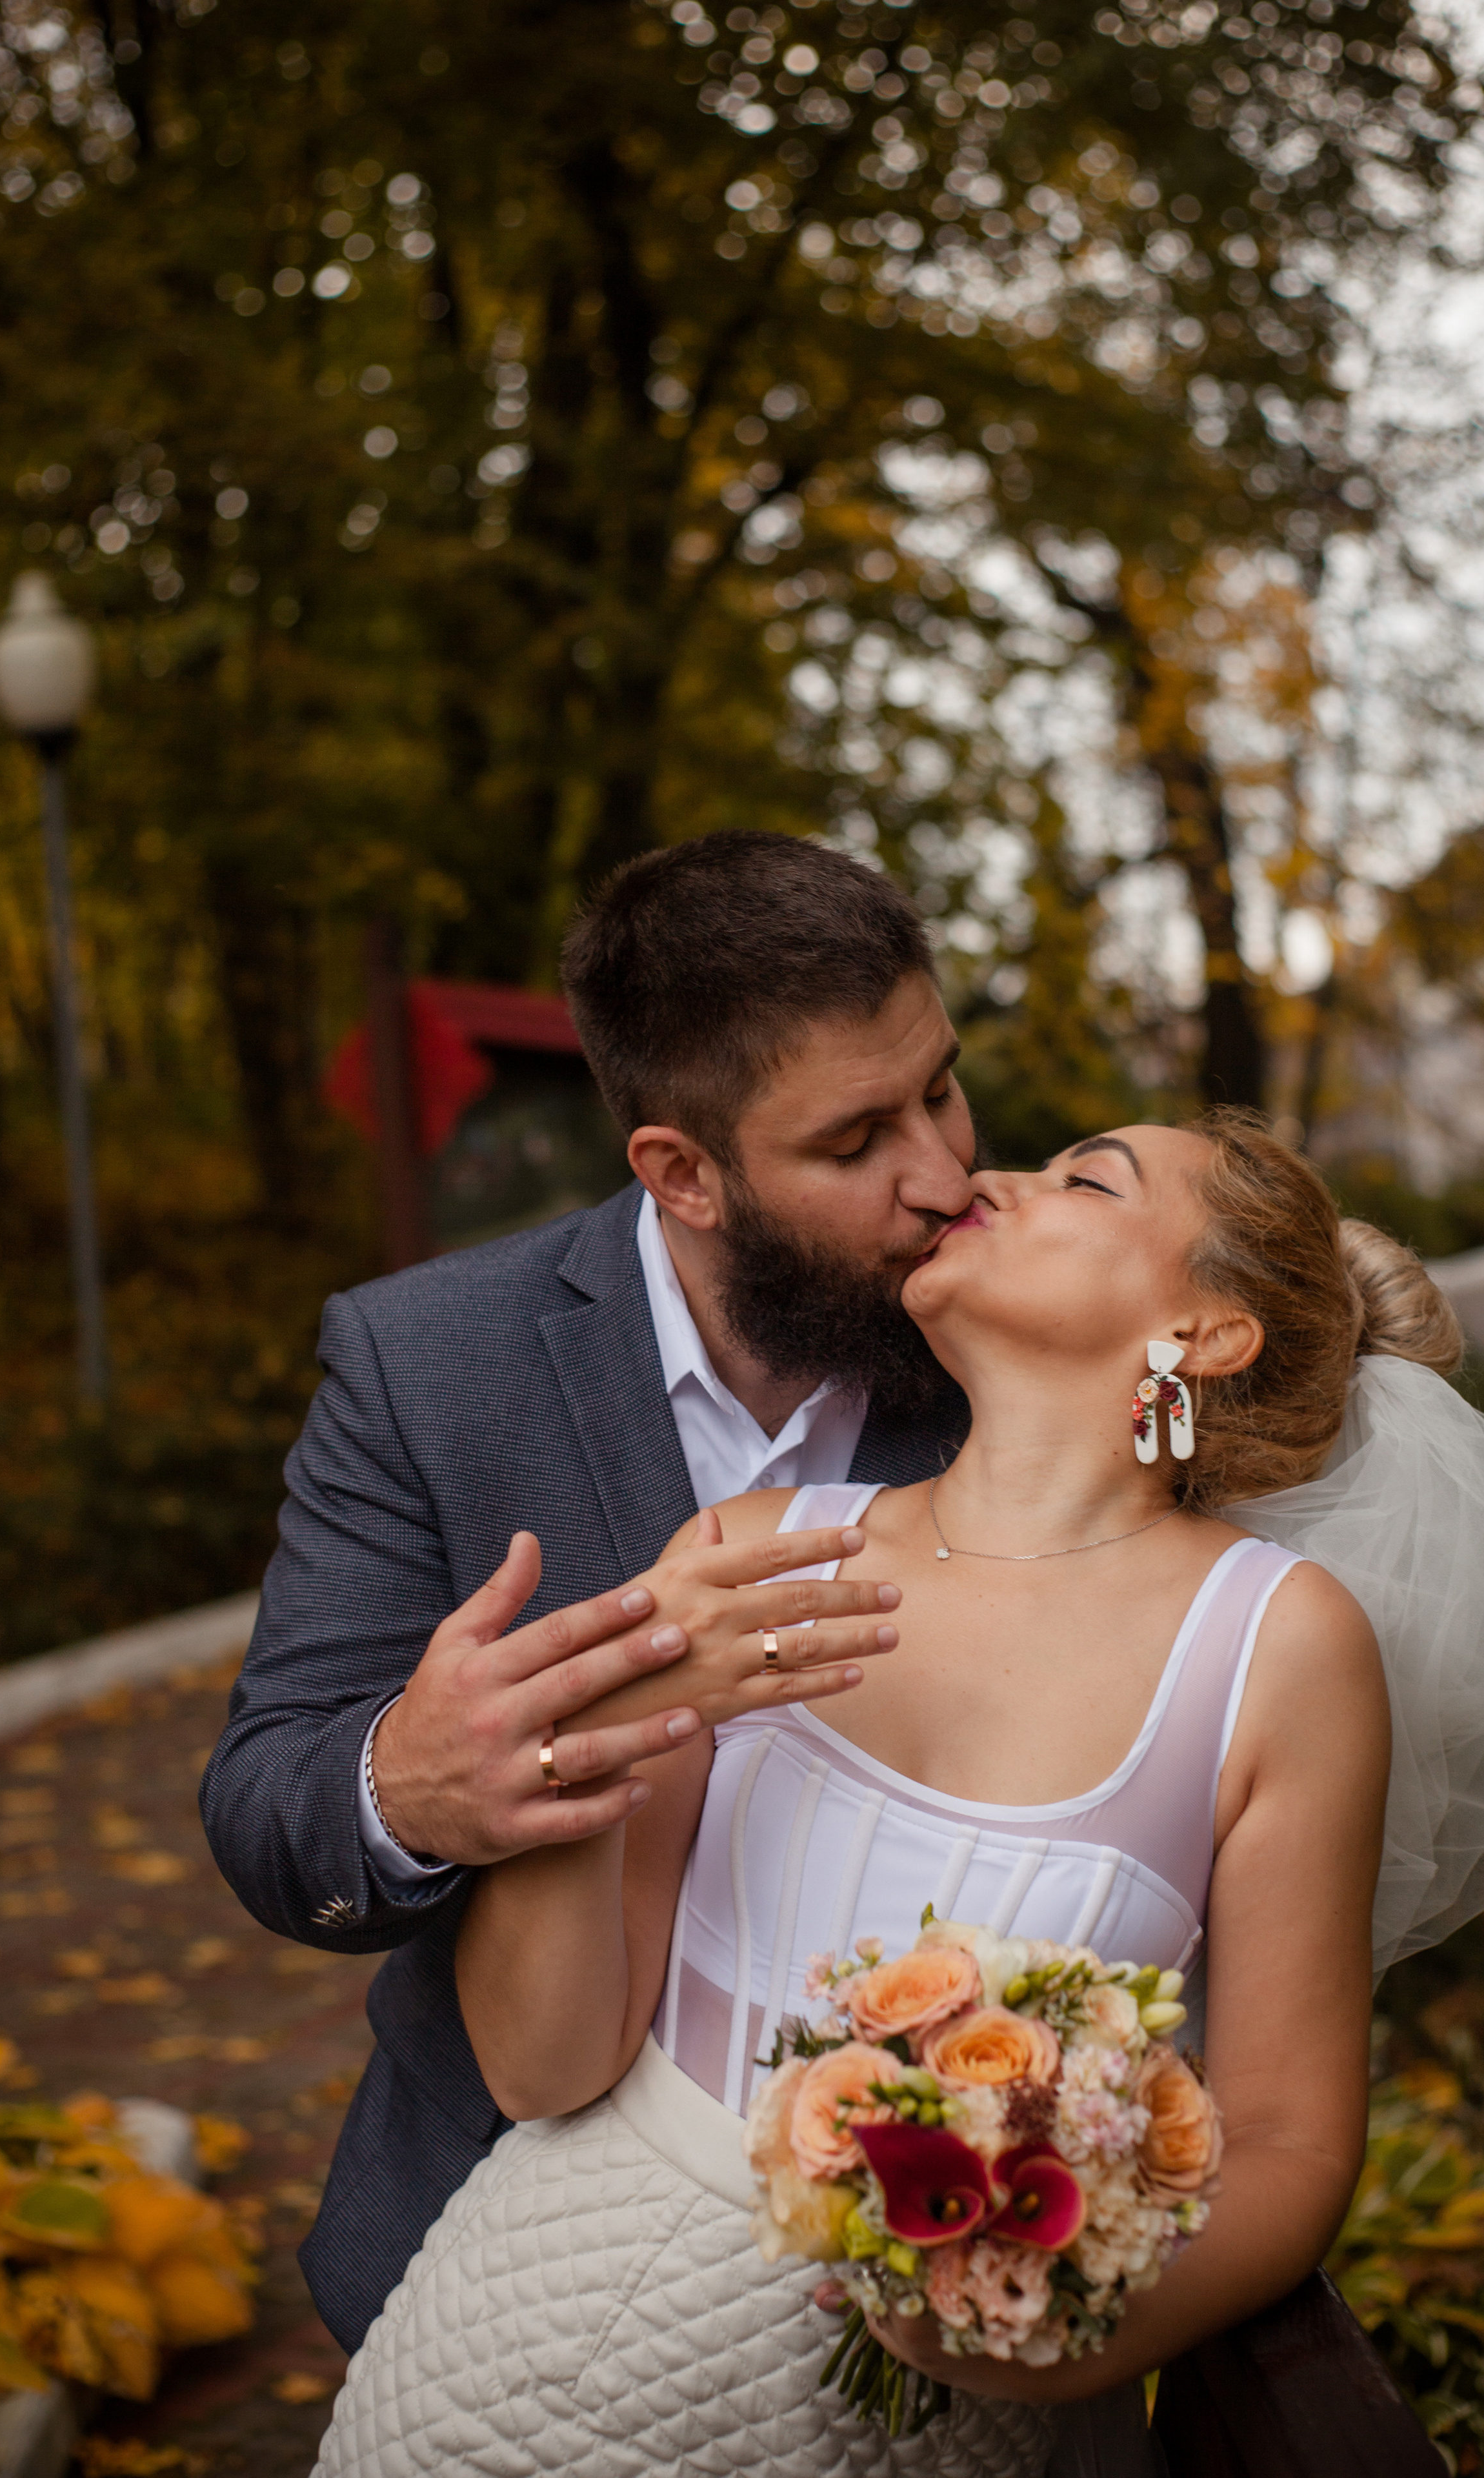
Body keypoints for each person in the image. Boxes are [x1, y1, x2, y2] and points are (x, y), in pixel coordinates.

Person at [316, 1111, 1484, 2477]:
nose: (985, 1179)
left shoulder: (1276, 1649)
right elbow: (541, 2065)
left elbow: (1289, 2140)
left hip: (941, 2434)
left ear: (1206, 1333)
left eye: (1084, 1180)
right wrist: (610, 1720)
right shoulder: (748, 1558)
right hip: (509, 2357)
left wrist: (1071, 2328)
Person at [199, 831, 983, 2351]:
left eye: (941, 1089)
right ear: (681, 1174)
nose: (943, 1179)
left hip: (931, 2268)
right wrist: (408, 1787)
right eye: (854, 1143)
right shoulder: (423, 1362)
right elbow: (266, 1800)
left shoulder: (1020, 1315)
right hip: (495, 2255)